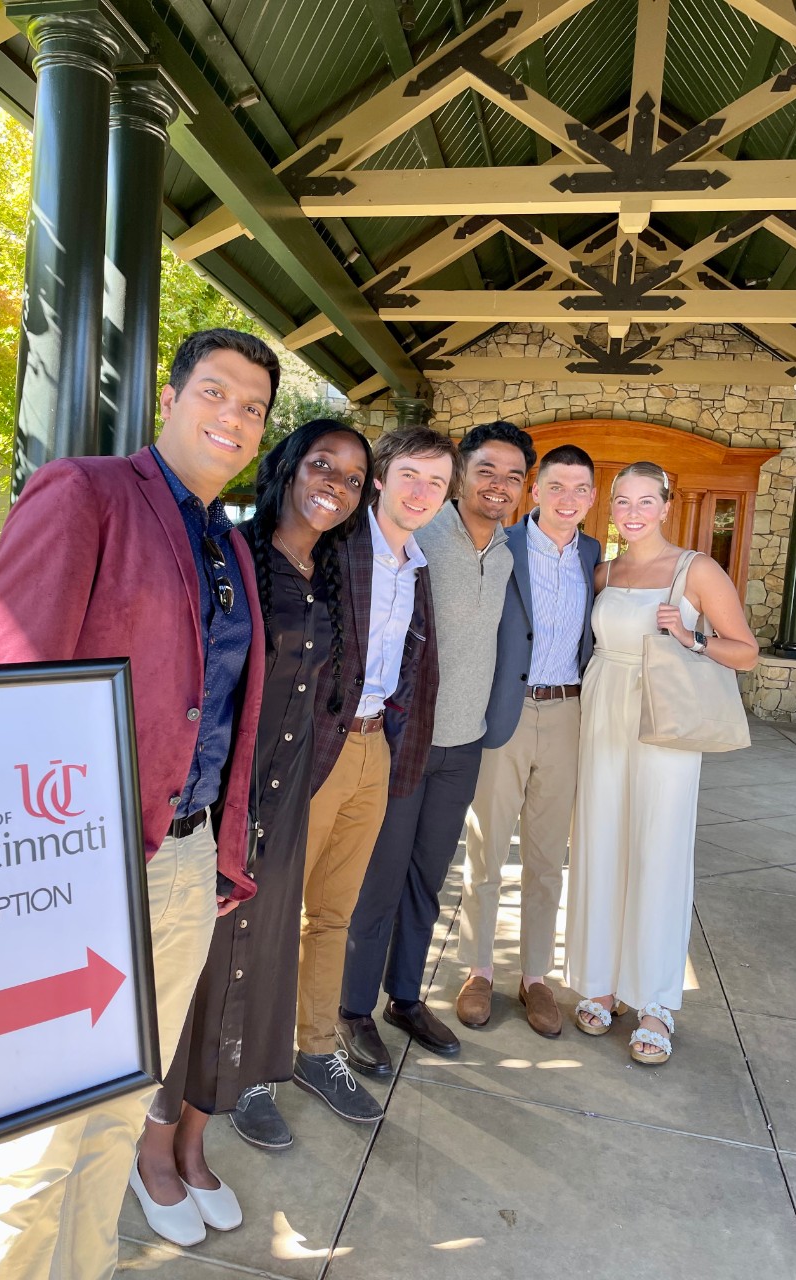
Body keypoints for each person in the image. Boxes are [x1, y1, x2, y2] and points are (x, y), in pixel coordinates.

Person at [0, 328, 278, 1279]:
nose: (233, 417)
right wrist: (31, 866)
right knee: (43, 1130)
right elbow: (5, 683)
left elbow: (216, 707)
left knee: (120, 1102)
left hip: (184, 861)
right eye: (216, 393)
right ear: (171, 400)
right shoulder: (87, 491)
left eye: (254, 407)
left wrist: (218, 852)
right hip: (80, 859)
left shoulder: (228, 542)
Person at [129, 419, 373, 1245]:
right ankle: (152, 1148)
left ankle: (197, 1143)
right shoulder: (233, 557)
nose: (334, 482)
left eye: (351, 475)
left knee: (252, 976)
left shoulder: (332, 574)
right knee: (193, 980)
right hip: (225, 803)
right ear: (288, 467)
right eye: (321, 464)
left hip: (288, 806)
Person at [232, 424, 458, 1136]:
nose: (423, 493)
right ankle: (244, 1068)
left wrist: (398, 758)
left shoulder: (418, 565)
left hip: (372, 751)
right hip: (311, 754)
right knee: (267, 916)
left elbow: (415, 675)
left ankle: (314, 1049)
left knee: (333, 914)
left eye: (438, 484)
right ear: (382, 479)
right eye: (412, 476)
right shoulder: (336, 544)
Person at [338, 421, 534, 1073]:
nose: (498, 485)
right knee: (380, 880)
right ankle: (352, 1007)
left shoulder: (511, 551)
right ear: (462, 477)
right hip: (402, 740)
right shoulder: (421, 532)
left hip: (466, 743)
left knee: (428, 879)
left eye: (512, 475)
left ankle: (403, 997)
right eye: (486, 470)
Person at [565, 461, 758, 1063]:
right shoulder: (602, 571)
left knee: (659, 849)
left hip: (665, 718)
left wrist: (692, 638)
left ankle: (654, 1002)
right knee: (601, 842)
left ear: (666, 505)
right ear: (611, 506)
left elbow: (746, 653)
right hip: (603, 711)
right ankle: (600, 980)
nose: (632, 511)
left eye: (646, 500)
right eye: (622, 500)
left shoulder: (695, 569)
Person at [455, 444, 600, 1038]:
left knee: (547, 858)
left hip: (567, 714)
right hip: (504, 714)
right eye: (556, 487)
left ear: (592, 498)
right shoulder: (501, 543)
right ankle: (479, 970)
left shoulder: (594, 555)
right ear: (535, 491)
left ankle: (536, 977)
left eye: (580, 490)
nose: (568, 499)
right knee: (487, 848)